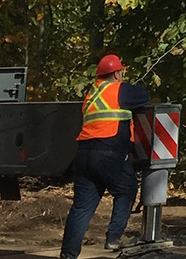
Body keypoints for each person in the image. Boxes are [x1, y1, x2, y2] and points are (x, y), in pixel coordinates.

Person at [60, 53, 151, 259]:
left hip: (84, 155)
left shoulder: (92, 94)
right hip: (109, 154)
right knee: (127, 189)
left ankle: (68, 254)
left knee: (82, 207)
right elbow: (144, 96)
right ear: (118, 73)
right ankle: (114, 238)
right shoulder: (121, 90)